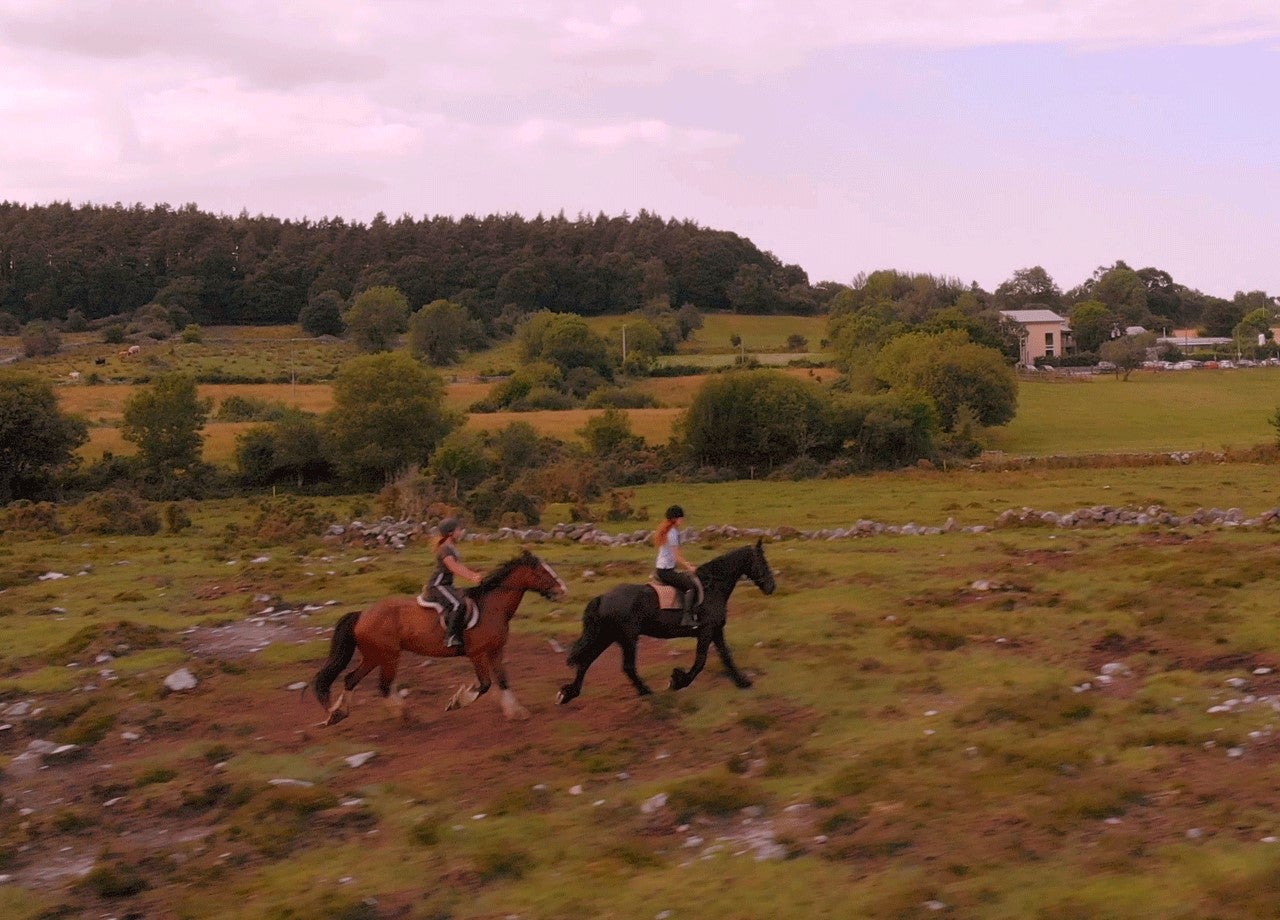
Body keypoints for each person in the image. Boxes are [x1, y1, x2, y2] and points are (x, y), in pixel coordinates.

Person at [425, 517, 483, 650]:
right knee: (458, 604)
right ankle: (450, 637)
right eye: (459, 529)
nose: (461, 532)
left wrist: (472, 574)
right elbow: (453, 567)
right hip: (438, 585)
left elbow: (458, 566)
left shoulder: (451, 547)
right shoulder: (445, 549)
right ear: (451, 533)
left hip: (447, 585)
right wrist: (472, 577)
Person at [654, 504, 702, 627]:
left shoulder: (667, 530)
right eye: (680, 518)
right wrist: (689, 567)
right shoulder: (672, 533)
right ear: (675, 519)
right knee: (690, 587)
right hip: (666, 571)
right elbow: (677, 556)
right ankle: (686, 618)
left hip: (662, 569)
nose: (682, 520)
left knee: (684, 581)